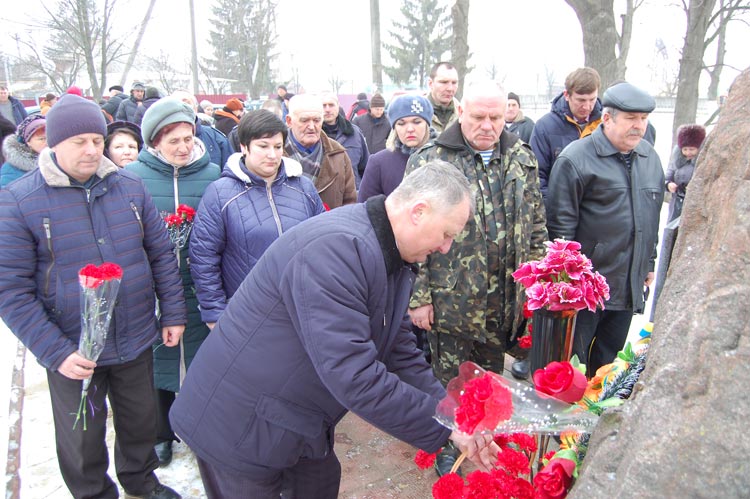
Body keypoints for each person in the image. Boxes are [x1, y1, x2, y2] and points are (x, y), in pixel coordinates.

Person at [170, 160, 498, 498]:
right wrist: (444, 428)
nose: (445, 248)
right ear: (418, 211)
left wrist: (453, 416)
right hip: (239, 427)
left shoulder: (390, 255)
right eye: (446, 234)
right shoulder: (336, 250)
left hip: (294, 418)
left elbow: (399, 352)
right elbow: (353, 374)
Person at [0, 94, 185, 499]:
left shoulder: (129, 186)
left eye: (98, 141)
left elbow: (159, 254)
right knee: (81, 435)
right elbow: (11, 290)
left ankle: (141, 480)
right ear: (54, 143)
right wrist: (55, 351)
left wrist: (172, 312)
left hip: (134, 334)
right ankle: (93, 492)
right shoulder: (19, 201)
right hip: (72, 346)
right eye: (79, 141)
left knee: (140, 420)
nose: (91, 150)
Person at [406, 81, 547, 475]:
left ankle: (483, 438)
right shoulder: (432, 160)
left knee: (489, 380)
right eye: (479, 116)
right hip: (452, 298)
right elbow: (411, 232)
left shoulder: (521, 157)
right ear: (460, 111)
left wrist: (537, 283)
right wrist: (419, 297)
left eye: (496, 117)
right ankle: (444, 444)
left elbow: (536, 224)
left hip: (504, 297)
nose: (488, 126)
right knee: (449, 380)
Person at [126, 97, 221, 469]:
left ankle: (200, 428)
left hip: (199, 283)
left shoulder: (212, 174)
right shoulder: (133, 177)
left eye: (187, 139)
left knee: (203, 360)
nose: (183, 148)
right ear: (155, 142)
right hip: (155, 286)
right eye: (173, 141)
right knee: (159, 359)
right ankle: (161, 433)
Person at [546, 82, 664, 378]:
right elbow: (560, 227)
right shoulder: (576, 159)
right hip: (586, 289)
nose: (639, 126)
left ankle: (598, 407)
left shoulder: (650, 158)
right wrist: (566, 282)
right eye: (631, 118)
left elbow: (651, 217)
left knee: (608, 365)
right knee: (573, 366)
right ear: (608, 118)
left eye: (643, 119)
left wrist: (648, 263)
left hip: (627, 284)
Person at [189, 109, 324, 329]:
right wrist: (214, 312)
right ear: (244, 147)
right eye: (263, 146)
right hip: (247, 313)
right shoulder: (221, 193)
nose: (272, 155)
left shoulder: (303, 188)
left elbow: (322, 244)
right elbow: (204, 256)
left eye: (278, 147)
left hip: (302, 308)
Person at [530, 67, 602, 201]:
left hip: (598, 208)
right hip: (559, 206)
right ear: (567, 95)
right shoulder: (544, 127)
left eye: (592, 99)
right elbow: (536, 177)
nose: (587, 106)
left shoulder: (605, 125)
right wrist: (554, 207)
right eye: (581, 100)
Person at [284, 94, 357, 209]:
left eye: (317, 120)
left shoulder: (338, 154)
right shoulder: (274, 155)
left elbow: (350, 203)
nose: (312, 127)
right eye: (304, 120)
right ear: (289, 121)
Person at [358, 94, 434, 201]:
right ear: (394, 128)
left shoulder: (445, 158)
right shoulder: (379, 162)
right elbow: (365, 206)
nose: (410, 129)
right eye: (401, 124)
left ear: (427, 124)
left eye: (417, 122)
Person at [171, 90, 233, 169]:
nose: (181, 108)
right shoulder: (161, 140)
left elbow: (230, 171)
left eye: (186, 103)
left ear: (195, 109)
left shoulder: (217, 139)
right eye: (176, 104)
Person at [321, 92, 370, 187]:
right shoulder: (313, 135)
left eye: (331, 105)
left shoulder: (354, 133)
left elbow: (365, 167)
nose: (327, 109)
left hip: (353, 191)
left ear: (338, 106)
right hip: (323, 192)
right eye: (324, 106)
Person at [666, 124, 706, 222]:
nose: (688, 153)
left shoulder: (702, 163)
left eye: (692, 149)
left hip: (694, 202)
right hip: (676, 203)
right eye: (685, 149)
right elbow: (668, 176)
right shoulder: (676, 162)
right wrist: (668, 184)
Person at [1, 114, 46, 187]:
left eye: (49, 137)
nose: (47, 142)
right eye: (42, 139)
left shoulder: (61, 159)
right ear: (28, 142)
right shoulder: (10, 169)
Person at [426, 62, 460, 132]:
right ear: (430, 83)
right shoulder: (416, 113)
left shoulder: (463, 115)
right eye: (444, 82)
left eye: (454, 83)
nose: (450, 88)